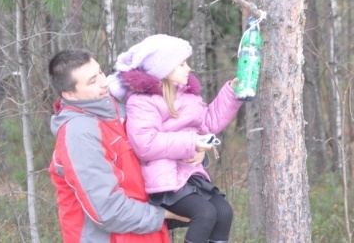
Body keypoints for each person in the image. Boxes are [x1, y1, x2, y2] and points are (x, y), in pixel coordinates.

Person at [108, 35, 244, 243]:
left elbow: (207, 123)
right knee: (205, 214)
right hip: (163, 181)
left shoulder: (187, 96)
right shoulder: (142, 101)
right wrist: (192, 144)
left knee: (223, 212)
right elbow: (146, 144)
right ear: (163, 69)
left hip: (187, 175)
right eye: (181, 64)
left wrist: (231, 94)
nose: (188, 68)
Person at [48, 49, 187, 243]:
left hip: (146, 234)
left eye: (100, 73)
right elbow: (107, 211)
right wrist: (165, 214)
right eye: (92, 81)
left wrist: (193, 152)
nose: (104, 82)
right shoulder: (79, 134)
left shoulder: (120, 110)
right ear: (69, 94)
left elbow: (156, 151)